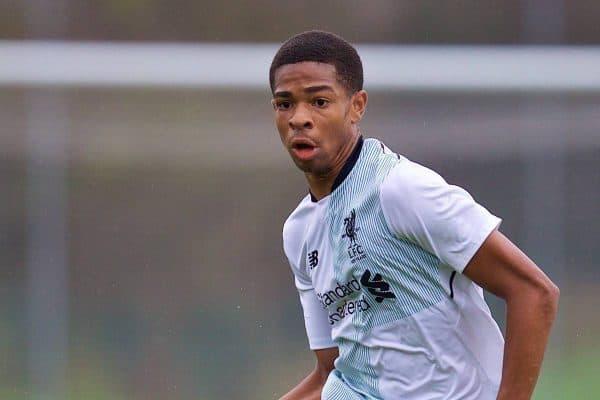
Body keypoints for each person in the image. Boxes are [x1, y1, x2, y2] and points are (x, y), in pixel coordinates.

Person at [270, 30, 559, 400]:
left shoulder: (401, 190)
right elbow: (333, 371)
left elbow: (535, 293)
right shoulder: (298, 231)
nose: (299, 119)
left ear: (357, 106)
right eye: (285, 104)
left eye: (320, 101)